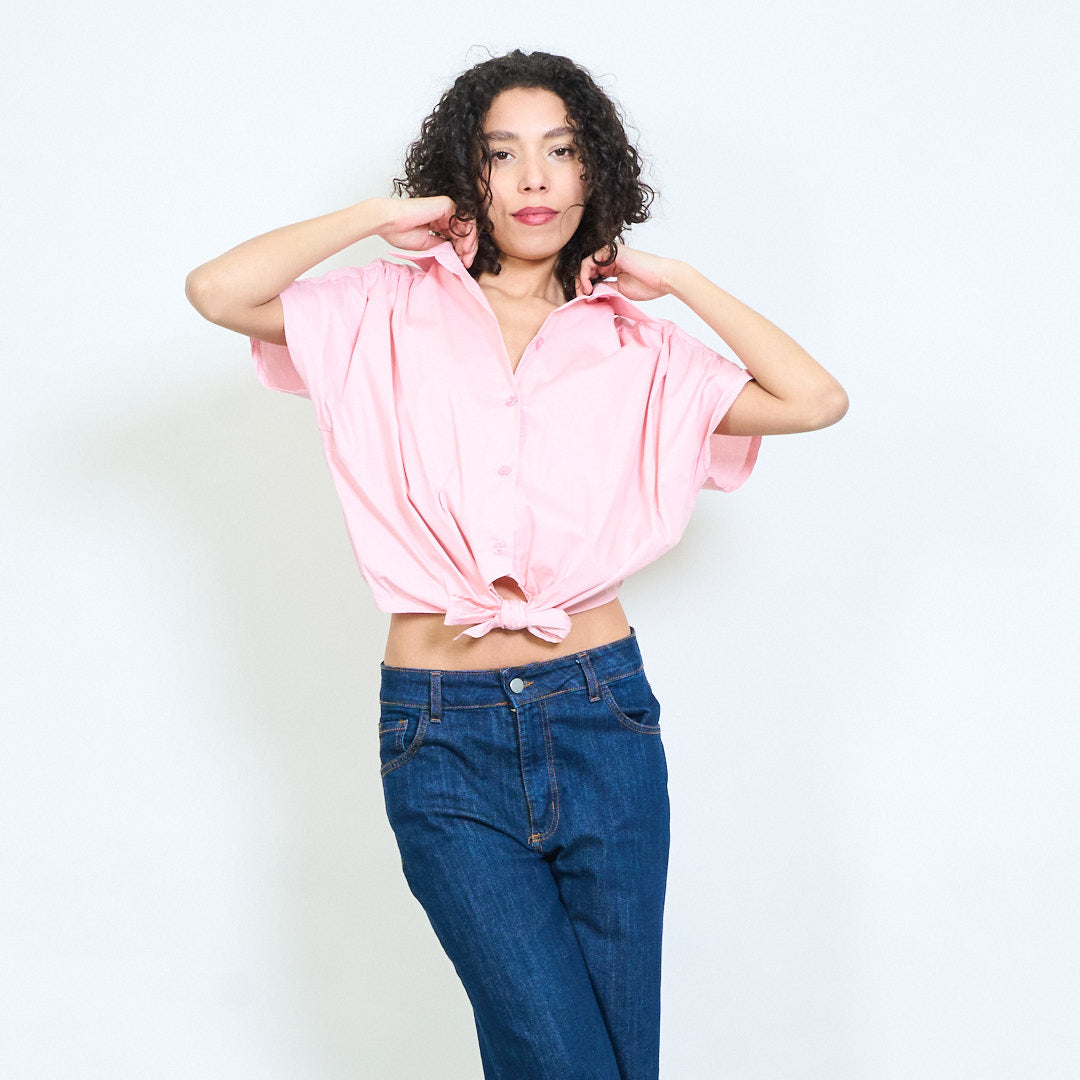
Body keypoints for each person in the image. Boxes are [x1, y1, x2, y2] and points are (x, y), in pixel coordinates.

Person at [186, 49, 846, 1080]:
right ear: (467, 174)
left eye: (561, 151)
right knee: (559, 1052)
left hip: (601, 722)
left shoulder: (641, 350)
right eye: (501, 154)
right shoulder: (381, 309)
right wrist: (377, 216)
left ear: (594, 174)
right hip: (440, 735)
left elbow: (814, 400)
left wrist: (677, 282)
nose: (533, 178)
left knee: (612, 1060)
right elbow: (217, 290)